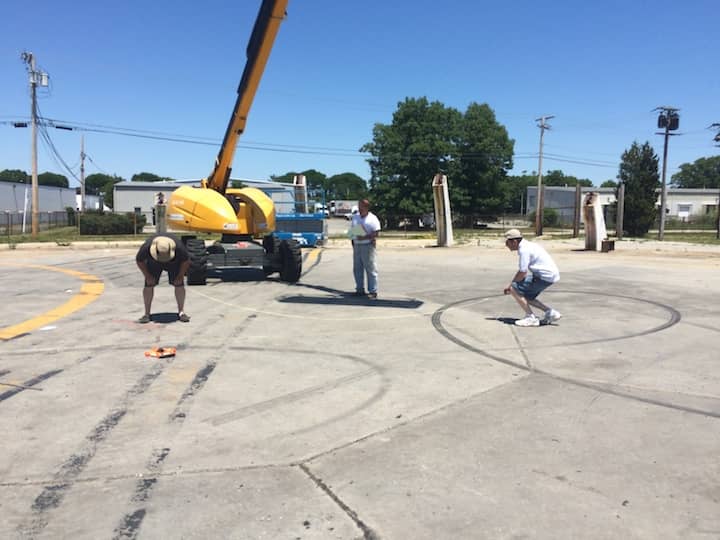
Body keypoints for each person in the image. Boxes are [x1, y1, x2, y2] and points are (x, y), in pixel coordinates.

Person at [503, 229, 562, 327]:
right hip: (549, 275)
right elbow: (523, 273)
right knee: (526, 296)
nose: (506, 245)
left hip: (544, 276)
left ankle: (530, 317)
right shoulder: (529, 245)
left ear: (514, 241)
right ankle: (551, 312)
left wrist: (510, 286)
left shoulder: (524, 250)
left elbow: (522, 272)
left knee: (513, 289)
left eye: (507, 242)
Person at [136, 234, 191, 323]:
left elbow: (186, 261)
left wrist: (180, 275)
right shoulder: (146, 247)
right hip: (154, 262)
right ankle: (146, 314)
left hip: (174, 262)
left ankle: (181, 312)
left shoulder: (179, 247)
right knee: (149, 284)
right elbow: (139, 260)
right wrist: (147, 275)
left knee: (179, 284)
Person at [350, 199, 381, 298]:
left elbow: (376, 233)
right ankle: (359, 289)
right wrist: (353, 242)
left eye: (361, 206)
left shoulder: (372, 218)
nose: (359, 208)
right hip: (357, 245)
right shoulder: (355, 217)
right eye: (359, 206)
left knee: (370, 268)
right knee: (357, 269)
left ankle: (373, 291)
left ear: (366, 207)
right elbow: (352, 231)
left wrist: (365, 237)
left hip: (367, 245)